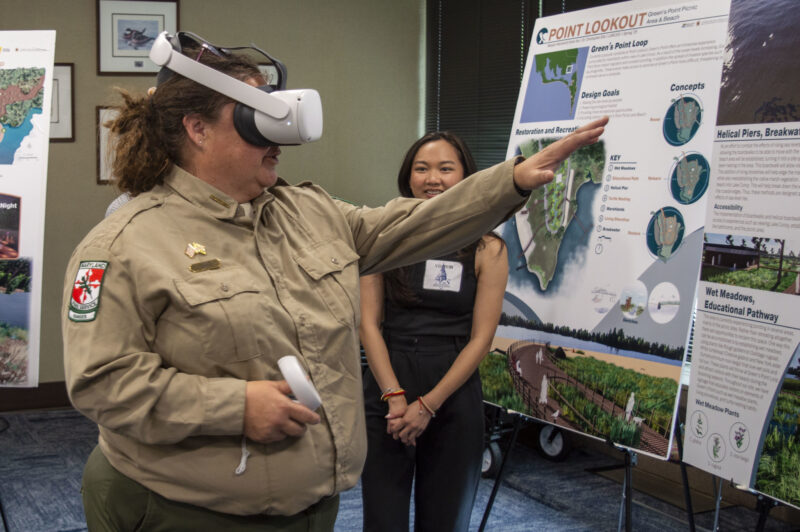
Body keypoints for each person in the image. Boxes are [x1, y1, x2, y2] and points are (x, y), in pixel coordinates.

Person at [61, 30, 607, 531]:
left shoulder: (307, 211)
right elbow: (102, 382)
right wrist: (234, 407)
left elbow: (415, 223)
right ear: (196, 129)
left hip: (311, 507)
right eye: (254, 119)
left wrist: (510, 180)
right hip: (185, 512)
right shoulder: (122, 245)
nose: (277, 138)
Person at [359, 132, 507, 531]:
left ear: (466, 177)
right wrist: (394, 397)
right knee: (382, 519)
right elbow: (368, 324)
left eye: (446, 169)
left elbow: (482, 339)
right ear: (408, 176)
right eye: (421, 169)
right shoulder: (382, 238)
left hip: (453, 392)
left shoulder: (487, 247)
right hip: (388, 385)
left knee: (445, 521)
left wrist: (428, 405)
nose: (432, 179)